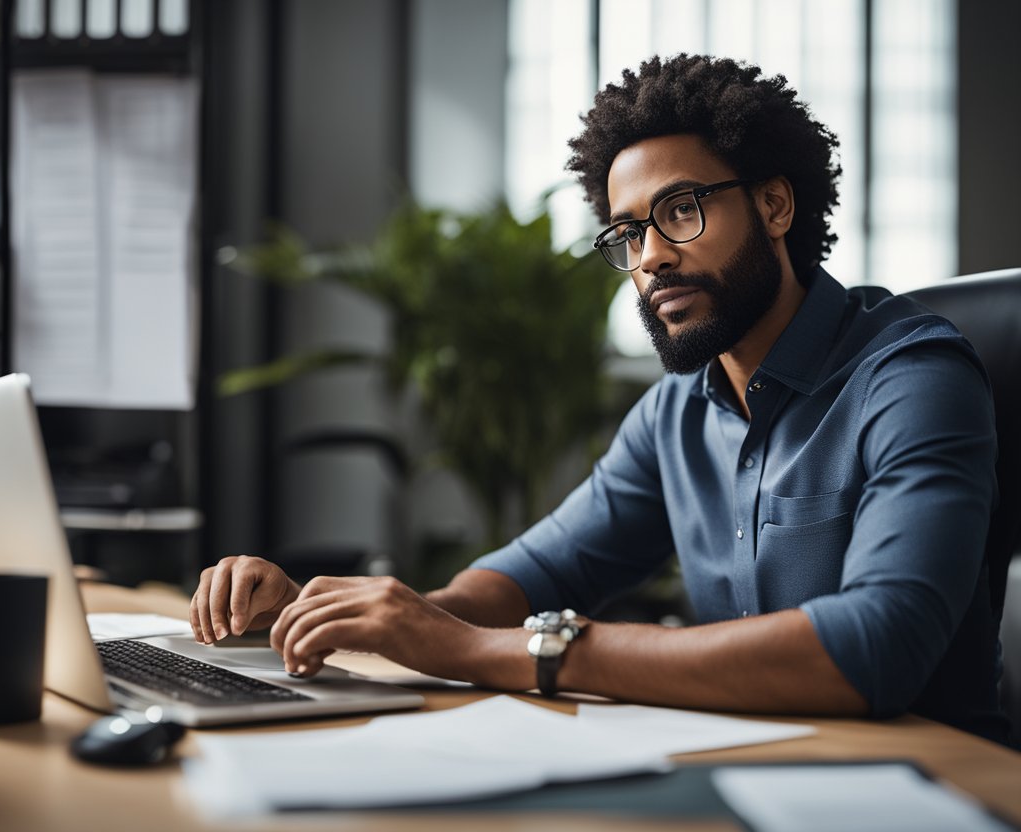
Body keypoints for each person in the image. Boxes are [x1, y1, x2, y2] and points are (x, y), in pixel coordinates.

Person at [190, 54, 1007, 744]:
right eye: (628, 233)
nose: (650, 259)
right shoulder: (679, 409)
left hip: (918, 785)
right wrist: (345, 618)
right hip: (745, 766)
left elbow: (878, 645)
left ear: (774, 204)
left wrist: (522, 653)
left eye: (680, 211)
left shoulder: (913, 378)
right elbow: (528, 577)